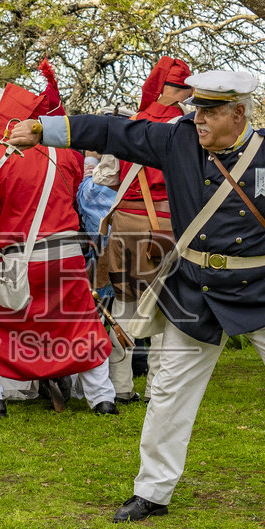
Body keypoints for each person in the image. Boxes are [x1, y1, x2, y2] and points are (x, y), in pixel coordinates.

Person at [9, 69, 265, 529]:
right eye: (197, 109)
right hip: (195, 290)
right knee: (169, 394)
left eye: (211, 112)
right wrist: (45, 129)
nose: (199, 119)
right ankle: (151, 491)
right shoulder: (177, 141)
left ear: (238, 113)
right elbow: (115, 131)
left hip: (264, 292)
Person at [0, 64, 115, 417]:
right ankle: (103, 398)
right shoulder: (69, 157)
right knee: (80, 327)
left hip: (19, 260)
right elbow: (73, 195)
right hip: (68, 256)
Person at [96, 55, 191, 402]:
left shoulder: (131, 124)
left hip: (126, 226)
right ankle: (156, 388)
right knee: (165, 309)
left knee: (124, 305)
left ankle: (120, 386)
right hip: (172, 225)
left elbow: (104, 177)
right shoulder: (190, 127)